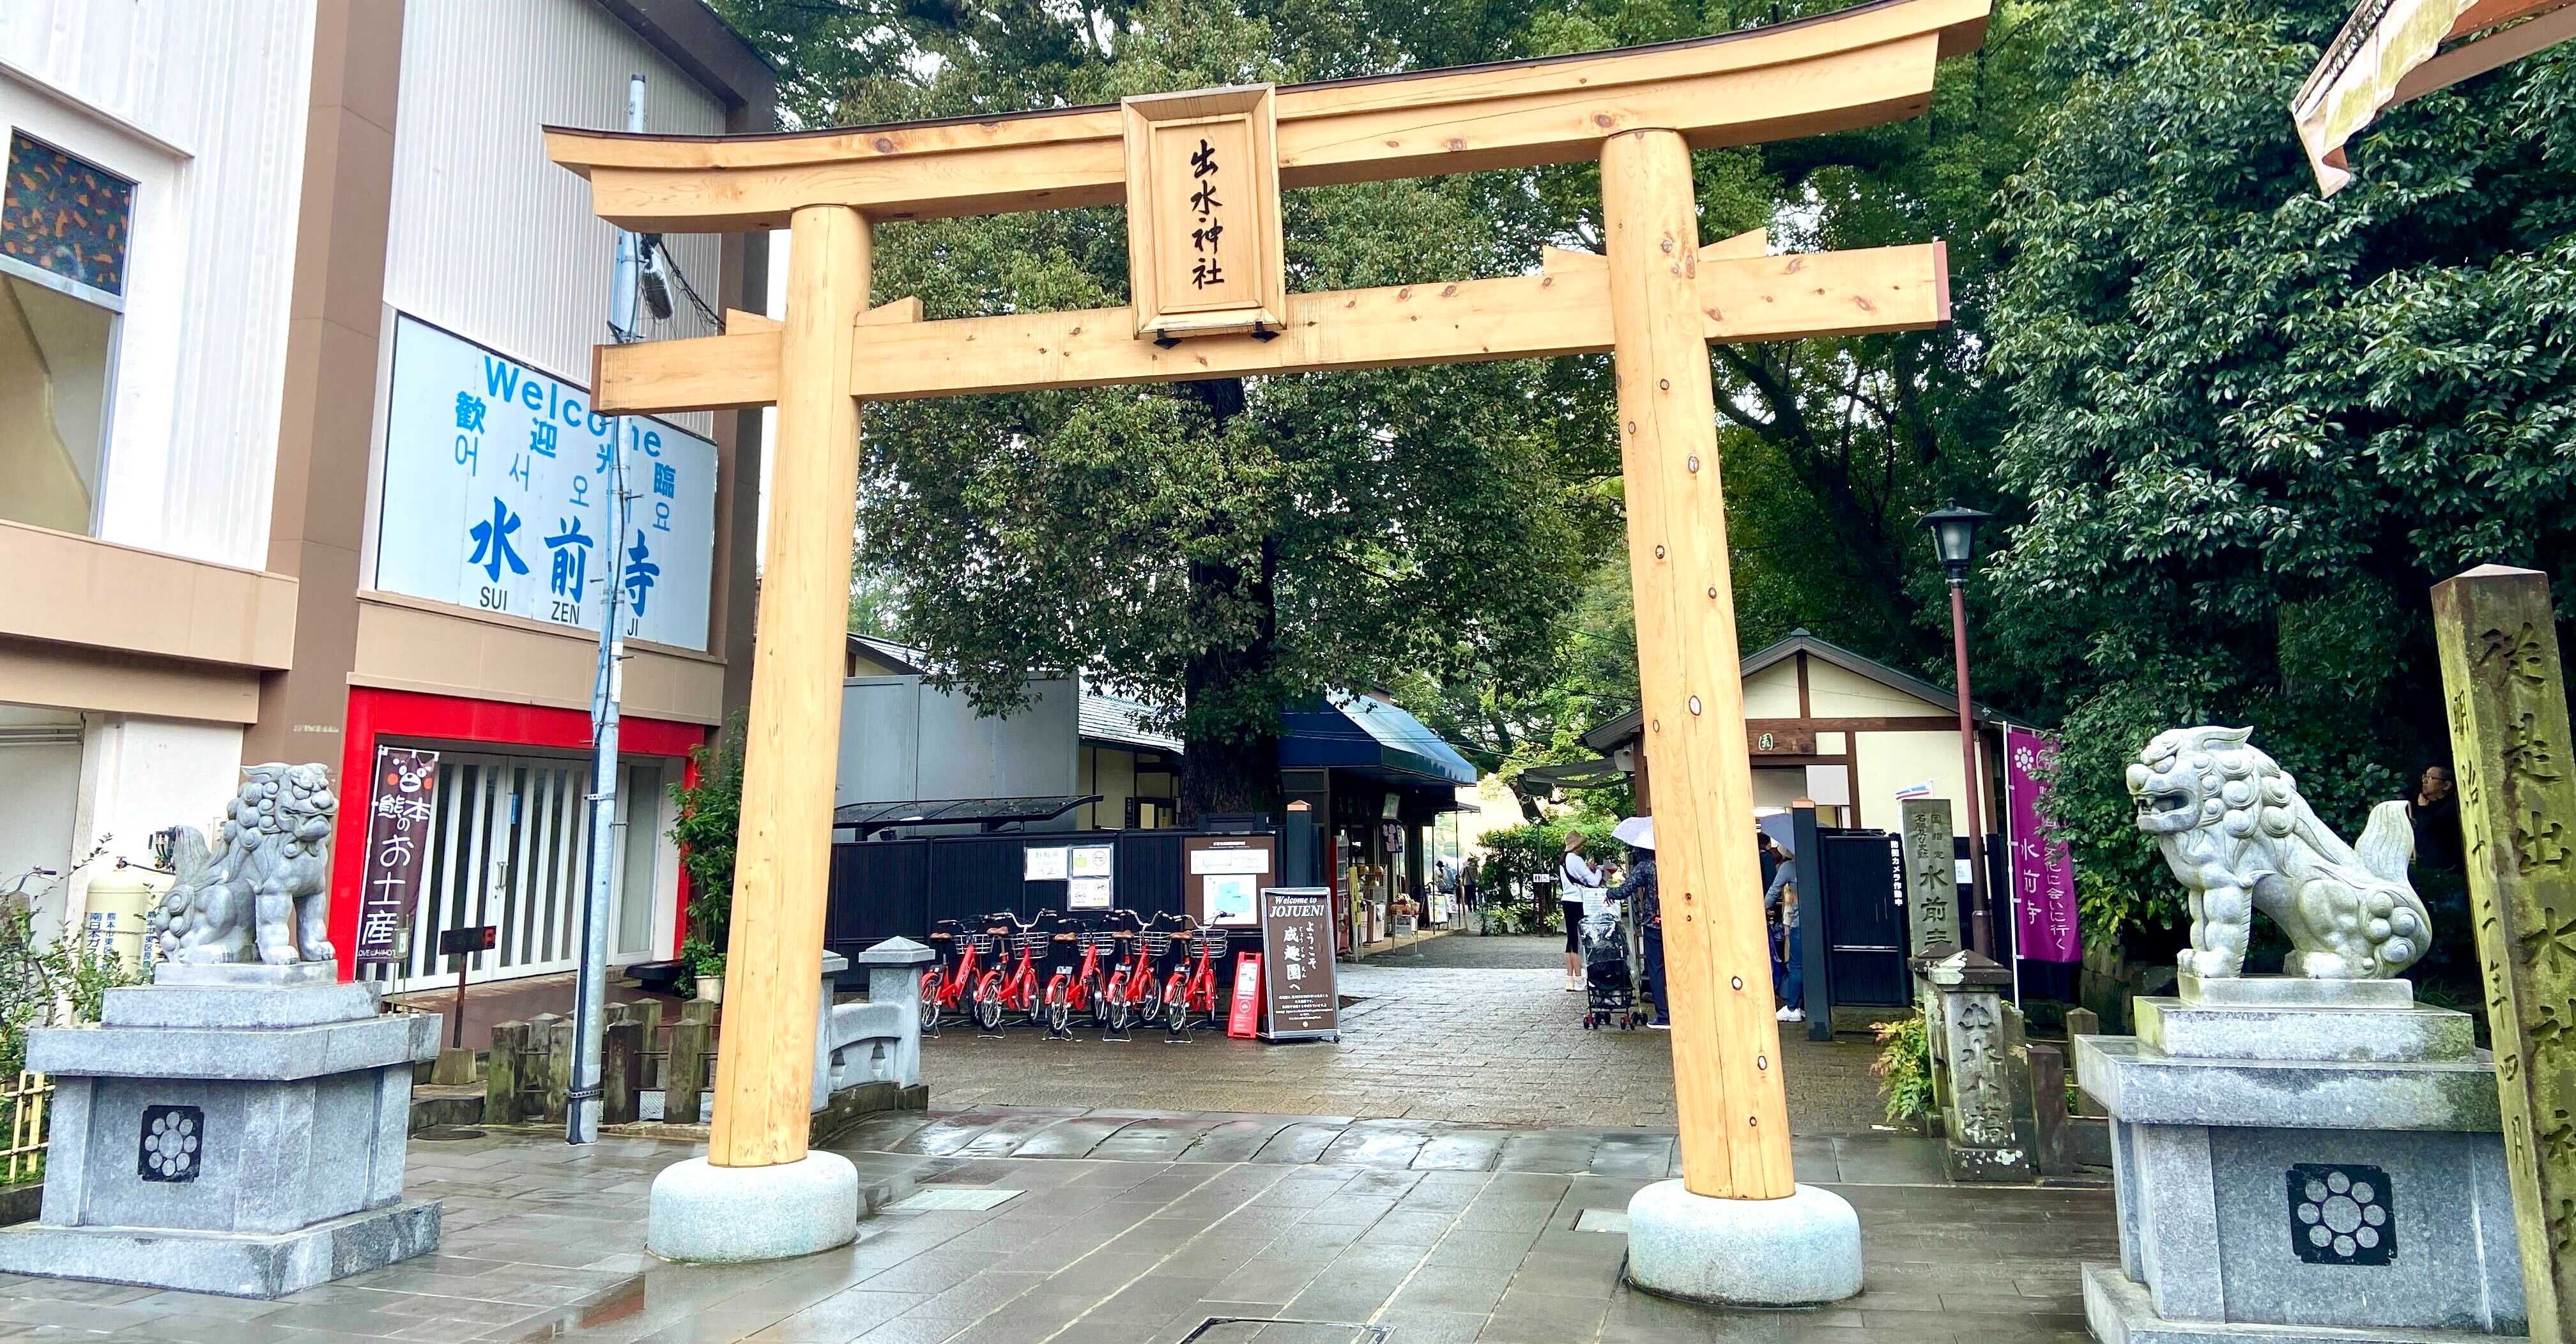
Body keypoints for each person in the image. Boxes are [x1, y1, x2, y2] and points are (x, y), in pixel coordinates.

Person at [1609, 816, 1664, 1028]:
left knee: (1655, 968)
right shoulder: (1672, 861)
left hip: (1653, 923)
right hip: (1676, 921)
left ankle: (1664, 1015)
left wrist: (1610, 893)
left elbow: (1625, 889)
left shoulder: (1645, 867)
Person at [1763, 836, 1804, 1024]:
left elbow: (1773, 892)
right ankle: (1809, 1005)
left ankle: (1793, 1008)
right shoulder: (1817, 862)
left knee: (1796, 966)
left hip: (1799, 924)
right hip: (1821, 925)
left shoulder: (1788, 867)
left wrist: (1762, 909)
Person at [1560, 830, 1605, 991]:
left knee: (1570, 940)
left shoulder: (1563, 860)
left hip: (1566, 900)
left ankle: (1570, 979)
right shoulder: (1576, 860)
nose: (1582, 847)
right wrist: (1598, 870)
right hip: (1578, 901)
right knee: (1578, 942)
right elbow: (1594, 882)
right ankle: (1579, 979)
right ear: (1576, 846)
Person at [2411, 765, 2463, 871]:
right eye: (2424, 777)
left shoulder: (2452, 807)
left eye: (2430, 778)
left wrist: (2423, 809)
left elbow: (2430, 830)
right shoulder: (2421, 805)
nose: (2425, 781)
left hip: (2447, 869)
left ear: (2446, 785)